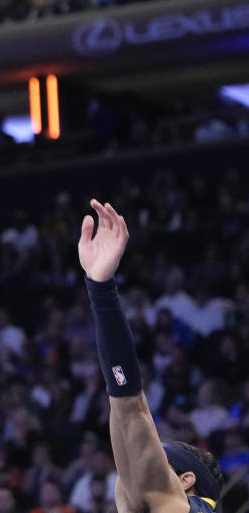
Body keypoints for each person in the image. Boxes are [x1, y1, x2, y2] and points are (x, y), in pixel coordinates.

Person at [77, 199, 224, 512]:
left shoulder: (174, 501)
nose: (134, 458)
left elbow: (130, 406)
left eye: (157, 455)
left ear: (185, 480)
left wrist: (101, 289)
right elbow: (124, 407)